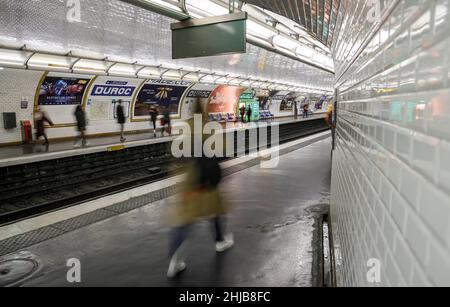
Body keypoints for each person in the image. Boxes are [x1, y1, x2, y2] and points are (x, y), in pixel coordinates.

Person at [167, 101, 234, 278]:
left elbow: (177, 157)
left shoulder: (185, 127)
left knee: (183, 223)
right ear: (205, 110)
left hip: (190, 182)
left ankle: (175, 261)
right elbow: (223, 151)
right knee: (216, 212)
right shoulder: (211, 126)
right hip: (207, 181)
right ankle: (220, 241)